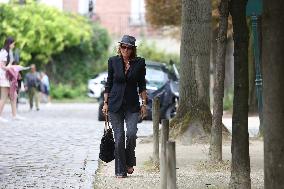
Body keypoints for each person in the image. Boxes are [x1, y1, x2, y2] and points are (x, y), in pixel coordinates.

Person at [102, 35, 147, 178]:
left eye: (129, 47)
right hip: (115, 104)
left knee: (132, 133)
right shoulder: (113, 61)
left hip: (132, 105)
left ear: (133, 49)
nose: (125, 50)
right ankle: (120, 170)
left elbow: (142, 85)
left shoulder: (140, 63)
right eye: (123, 47)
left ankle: (129, 161)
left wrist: (144, 104)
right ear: (120, 47)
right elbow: (108, 83)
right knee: (119, 137)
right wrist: (105, 103)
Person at [0, 37, 25, 122]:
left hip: (8, 76)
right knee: (3, 97)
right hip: (4, 77)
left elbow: (8, 65)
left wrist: (15, 68)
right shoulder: (4, 52)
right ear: (9, 43)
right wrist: (12, 68)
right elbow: (2, 66)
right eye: (13, 43)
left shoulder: (9, 52)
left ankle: (14, 115)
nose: (14, 45)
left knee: (14, 95)